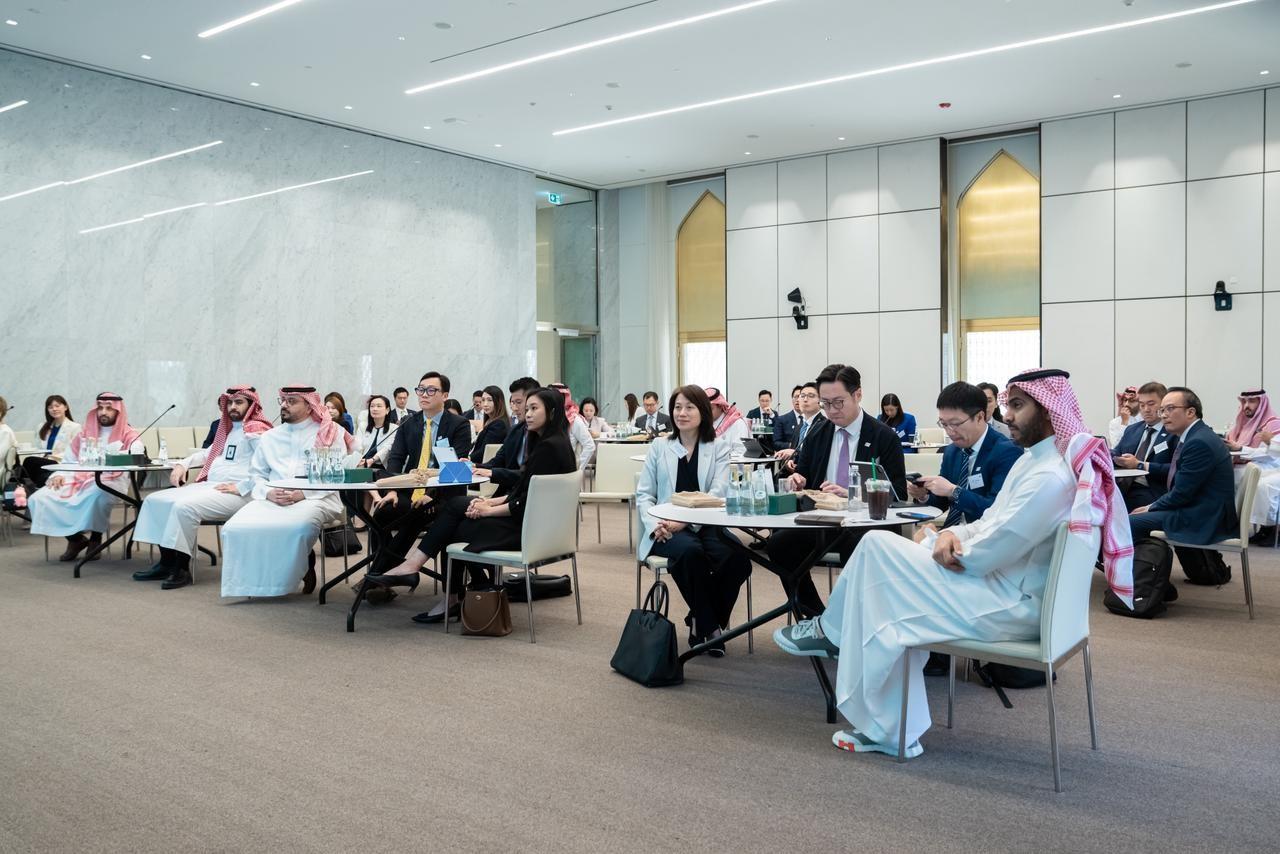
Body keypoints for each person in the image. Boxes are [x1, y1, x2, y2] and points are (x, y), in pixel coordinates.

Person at [774, 368, 1133, 758]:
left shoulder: (1049, 476)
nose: (1007, 415)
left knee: (878, 556)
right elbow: (991, 522)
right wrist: (949, 535)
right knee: (881, 581)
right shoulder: (1036, 463)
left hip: (1010, 603)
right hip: (1000, 584)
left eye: (1017, 406)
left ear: (1048, 410)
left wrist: (946, 541)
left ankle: (850, 661)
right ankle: (877, 707)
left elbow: (988, 552)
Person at [365, 387, 578, 624]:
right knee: (455, 507)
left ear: (552, 411)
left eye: (533, 408)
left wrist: (489, 510)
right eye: (525, 408)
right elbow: (523, 491)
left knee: (451, 526)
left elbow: (526, 502)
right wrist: (488, 502)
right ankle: (434, 579)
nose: (526, 414)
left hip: (528, 530)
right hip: (539, 527)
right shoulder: (553, 442)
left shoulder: (548, 448)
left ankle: (446, 590)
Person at [764, 365, 907, 616]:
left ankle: (851, 621)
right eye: (825, 403)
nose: (831, 410)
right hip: (823, 520)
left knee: (857, 548)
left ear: (858, 395)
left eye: (838, 402)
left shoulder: (884, 436)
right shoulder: (818, 432)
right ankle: (815, 615)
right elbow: (805, 476)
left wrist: (853, 494)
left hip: (865, 523)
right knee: (778, 546)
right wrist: (798, 480)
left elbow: (898, 495)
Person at [636, 385, 749, 654]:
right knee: (690, 553)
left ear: (703, 412)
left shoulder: (718, 447)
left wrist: (686, 521)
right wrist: (655, 525)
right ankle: (711, 629)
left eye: (689, 407)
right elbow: (644, 495)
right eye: (677, 407)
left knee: (739, 560)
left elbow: (718, 492)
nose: (682, 413)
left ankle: (699, 619)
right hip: (665, 527)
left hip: (706, 522)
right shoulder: (660, 446)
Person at [131, 386, 272, 589]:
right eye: (230, 402)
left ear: (251, 405)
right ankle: (166, 562)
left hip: (241, 493)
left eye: (239, 402)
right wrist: (183, 464)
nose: (233, 407)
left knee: (184, 507)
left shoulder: (257, 430)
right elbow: (208, 453)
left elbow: (266, 465)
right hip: (212, 486)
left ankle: (182, 568)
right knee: (156, 499)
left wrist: (242, 486)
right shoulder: (229, 429)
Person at [219, 386, 354, 598]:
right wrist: (267, 493)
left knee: (297, 528)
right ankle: (251, 584)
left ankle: (296, 571)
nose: (284, 405)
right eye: (282, 400)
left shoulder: (329, 432)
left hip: (318, 497)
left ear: (309, 406)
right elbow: (256, 475)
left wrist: (304, 493)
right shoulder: (269, 437)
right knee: (234, 528)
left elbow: (334, 475)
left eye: (291, 401)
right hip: (273, 497)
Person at [1129, 387, 1238, 586]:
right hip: (1198, 507)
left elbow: (1181, 494)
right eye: (1162, 410)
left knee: (1131, 522)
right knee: (1137, 514)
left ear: (1190, 412)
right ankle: (1150, 581)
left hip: (1202, 515)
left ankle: (1148, 585)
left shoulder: (1199, 442)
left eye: (1170, 409)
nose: (1164, 415)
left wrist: (1151, 507)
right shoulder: (1196, 435)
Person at [370, 372, 474, 568]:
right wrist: (392, 490)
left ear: (445, 396)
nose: (424, 394)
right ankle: (386, 570)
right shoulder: (409, 422)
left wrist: (431, 494)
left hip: (445, 495)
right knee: (382, 512)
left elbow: (456, 468)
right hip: (411, 489)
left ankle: (381, 573)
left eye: (431, 390)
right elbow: (396, 458)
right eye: (420, 390)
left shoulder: (459, 424)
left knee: (417, 514)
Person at [28, 393, 143, 561]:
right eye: (100, 408)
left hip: (112, 479)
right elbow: (69, 459)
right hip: (78, 476)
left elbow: (137, 454)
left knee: (97, 495)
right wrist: (59, 474)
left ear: (118, 411)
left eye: (109, 408)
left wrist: (118, 455)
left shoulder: (129, 434)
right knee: (39, 498)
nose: (103, 412)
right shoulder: (85, 432)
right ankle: (75, 539)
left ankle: (95, 539)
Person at [1111, 381, 1177, 510]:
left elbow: (1176, 469)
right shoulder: (1132, 429)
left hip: (1152, 491)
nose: (1146, 409)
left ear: (1164, 404)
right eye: (1142, 405)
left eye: (1151, 404)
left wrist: (1139, 464)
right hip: (1122, 487)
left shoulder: (1174, 432)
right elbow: (1117, 452)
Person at [1225, 389, 1280, 543]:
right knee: (1224, 478)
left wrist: (1241, 449)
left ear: (1262, 403)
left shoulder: (1273, 424)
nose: (1246, 406)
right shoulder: (1241, 424)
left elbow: (1270, 454)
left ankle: (1270, 528)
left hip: (1270, 468)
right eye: (1244, 402)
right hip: (1246, 466)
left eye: (1252, 401)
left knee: (1260, 484)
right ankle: (1233, 525)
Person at [21, 394, 81, 489]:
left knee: (29, 461)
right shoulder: (42, 426)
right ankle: (24, 488)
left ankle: (21, 487)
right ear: (47, 410)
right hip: (42, 462)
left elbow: (74, 451)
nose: (54, 409)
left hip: (59, 461)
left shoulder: (75, 427)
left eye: (57, 406)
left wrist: (51, 457)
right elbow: (37, 448)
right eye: (50, 407)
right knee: (31, 469)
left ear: (65, 407)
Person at [775, 381, 823, 469]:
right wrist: (789, 461)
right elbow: (792, 455)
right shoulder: (799, 427)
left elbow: (820, 456)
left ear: (820, 401)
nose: (805, 399)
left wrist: (795, 453)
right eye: (802, 396)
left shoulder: (825, 426)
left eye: (811, 396)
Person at [550, 383, 597, 470]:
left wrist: (578, 469)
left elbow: (589, 446)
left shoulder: (573, 419)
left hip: (567, 470)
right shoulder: (547, 417)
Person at [468, 385, 510, 464]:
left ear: (498, 402)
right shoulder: (489, 420)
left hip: (484, 466)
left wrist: (468, 458)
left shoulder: (499, 424)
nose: (485, 404)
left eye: (489, 400)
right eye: (483, 400)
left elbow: (485, 451)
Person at [355, 394, 398, 468]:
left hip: (382, 467)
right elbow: (358, 446)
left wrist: (372, 460)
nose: (375, 409)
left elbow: (387, 448)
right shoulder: (363, 426)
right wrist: (356, 460)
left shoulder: (394, 428)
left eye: (379, 406)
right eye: (372, 406)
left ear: (387, 410)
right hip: (362, 465)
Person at [705, 387, 749, 456]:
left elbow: (741, 452)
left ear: (720, 406)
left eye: (710, 409)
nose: (706, 413)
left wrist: (718, 458)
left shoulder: (737, 423)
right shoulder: (703, 424)